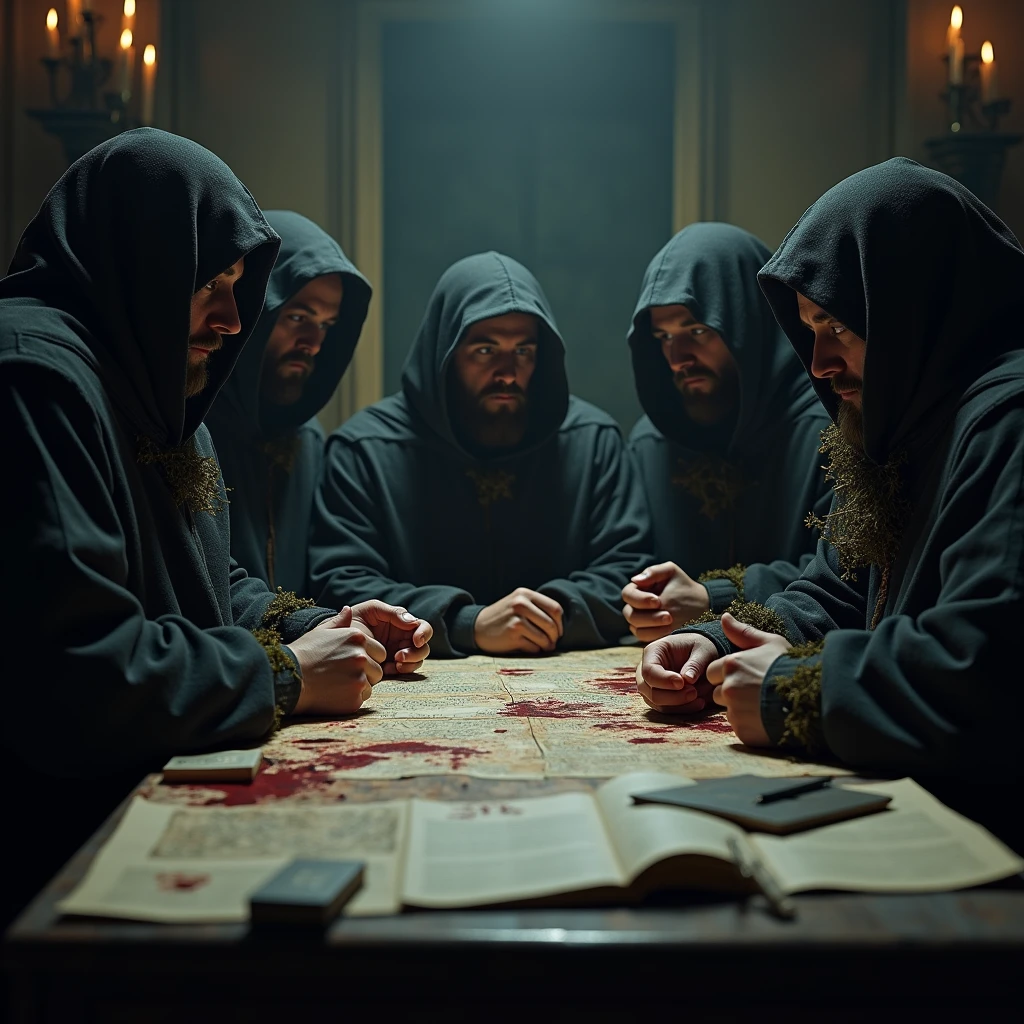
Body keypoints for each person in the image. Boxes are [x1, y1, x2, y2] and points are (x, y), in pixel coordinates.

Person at [0, 130, 429, 922]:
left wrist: (315, 625)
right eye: (208, 285)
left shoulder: (151, 371)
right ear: (142, 264)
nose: (235, 320)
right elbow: (80, 674)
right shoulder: (34, 377)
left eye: (239, 285)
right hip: (56, 863)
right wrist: (287, 672)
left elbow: (205, 581)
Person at [636, 159, 1024, 843]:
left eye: (838, 327)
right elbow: (837, 589)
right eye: (809, 330)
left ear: (913, 305)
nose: (817, 362)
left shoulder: (1007, 421)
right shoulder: (911, 418)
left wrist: (796, 690)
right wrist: (709, 645)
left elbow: (985, 669)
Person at [311, 251, 652, 656]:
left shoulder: (593, 442)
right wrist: (465, 623)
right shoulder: (365, 450)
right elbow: (340, 582)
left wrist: (543, 616)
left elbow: (631, 572)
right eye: (486, 351)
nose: (507, 371)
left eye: (523, 351)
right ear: (445, 353)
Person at [621, 223, 831, 642]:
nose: (678, 358)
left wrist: (713, 596)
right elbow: (625, 562)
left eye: (697, 331)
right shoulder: (651, 443)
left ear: (750, 322)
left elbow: (842, 580)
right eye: (663, 337)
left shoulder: (827, 431)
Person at [206, 210, 371, 595]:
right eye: (298, 316)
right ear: (254, 309)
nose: (313, 342)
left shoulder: (308, 441)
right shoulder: (189, 430)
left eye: (328, 325)